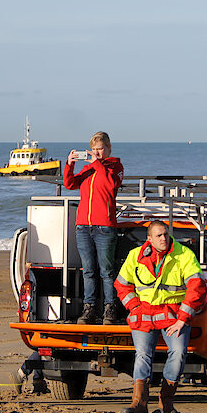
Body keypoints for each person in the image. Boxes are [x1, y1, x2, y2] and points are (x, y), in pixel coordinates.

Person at [115, 221, 207, 413]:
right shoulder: (135, 255)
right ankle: (139, 403)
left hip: (174, 315)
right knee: (142, 355)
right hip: (144, 314)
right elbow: (122, 285)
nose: (164, 238)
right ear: (149, 239)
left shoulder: (184, 255)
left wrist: (182, 319)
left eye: (165, 234)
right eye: (159, 236)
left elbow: (197, 288)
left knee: (179, 352)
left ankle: (166, 402)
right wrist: (134, 307)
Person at [63, 131, 124, 325]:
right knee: (88, 271)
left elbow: (110, 185)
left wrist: (96, 164)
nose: (97, 153)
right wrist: (69, 164)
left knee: (107, 271)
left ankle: (110, 308)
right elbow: (69, 184)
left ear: (108, 148)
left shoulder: (115, 166)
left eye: (100, 149)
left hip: (104, 226)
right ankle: (89, 308)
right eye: (94, 149)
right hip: (83, 226)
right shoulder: (89, 168)